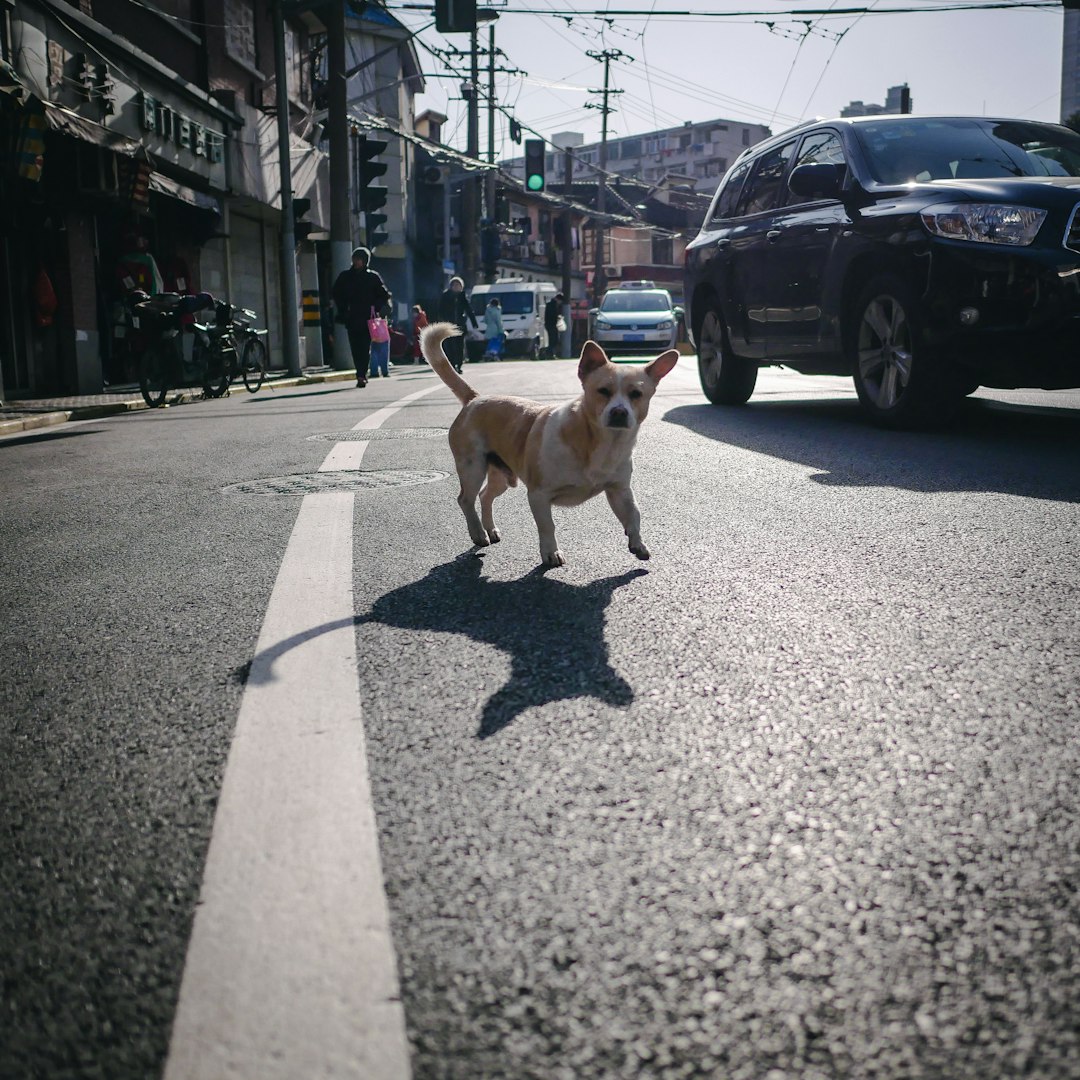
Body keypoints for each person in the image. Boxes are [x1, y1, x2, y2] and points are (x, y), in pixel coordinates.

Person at [331, 246, 391, 388]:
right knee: (355, 347)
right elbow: (336, 292)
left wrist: (380, 308)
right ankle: (360, 372)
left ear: (365, 261)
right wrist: (343, 308)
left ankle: (361, 374)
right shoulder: (345, 276)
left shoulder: (372, 277)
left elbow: (383, 295)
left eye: (360, 259)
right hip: (351, 317)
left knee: (365, 347)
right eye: (355, 259)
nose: (357, 262)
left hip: (368, 318)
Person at [437, 276, 477, 373]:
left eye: (458, 285)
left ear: (461, 286)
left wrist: (474, 322)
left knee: (459, 346)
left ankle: (458, 365)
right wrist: (442, 321)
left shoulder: (462, 297)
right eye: (454, 285)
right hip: (448, 326)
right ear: (451, 286)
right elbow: (440, 310)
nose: (456, 287)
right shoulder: (445, 296)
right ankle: (451, 365)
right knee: (449, 346)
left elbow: (468, 310)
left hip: (460, 325)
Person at [483, 296, 504, 361]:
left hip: (489, 328)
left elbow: (485, 320)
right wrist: (501, 330)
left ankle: (488, 353)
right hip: (496, 329)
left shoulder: (487, 310)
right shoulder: (497, 310)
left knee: (490, 342)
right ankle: (494, 354)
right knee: (496, 342)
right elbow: (498, 320)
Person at [544, 292, 564, 359]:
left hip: (549, 324)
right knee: (553, 340)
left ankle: (550, 353)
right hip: (551, 325)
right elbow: (552, 315)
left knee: (553, 340)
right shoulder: (552, 305)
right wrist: (557, 317)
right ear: (558, 299)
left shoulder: (550, 304)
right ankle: (550, 354)